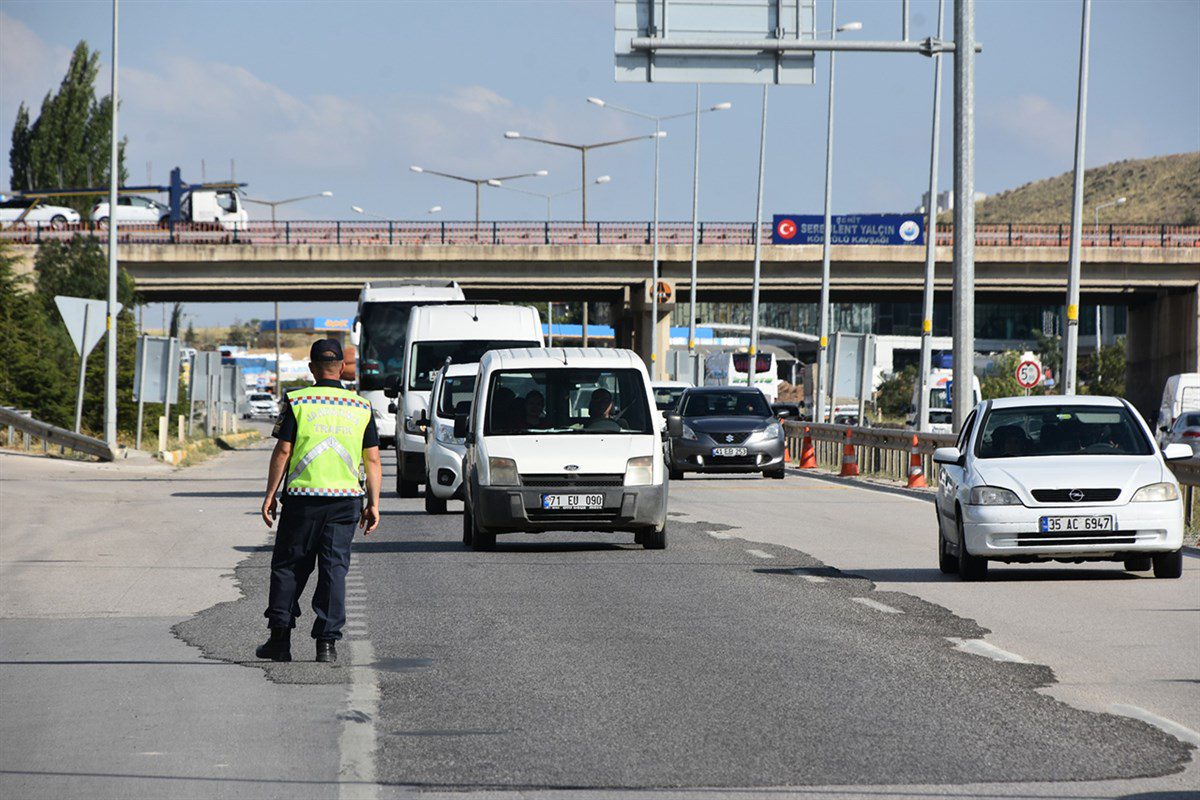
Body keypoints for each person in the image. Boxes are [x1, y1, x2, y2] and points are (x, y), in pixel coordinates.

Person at [256, 339, 382, 664]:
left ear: (311, 368)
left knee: (288, 567)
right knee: (334, 569)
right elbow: (373, 460)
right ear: (342, 367)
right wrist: (373, 503)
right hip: (345, 502)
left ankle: (280, 641)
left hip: (302, 501)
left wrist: (270, 494)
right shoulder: (361, 407)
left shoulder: (298, 402)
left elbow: (283, 450)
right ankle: (326, 644)